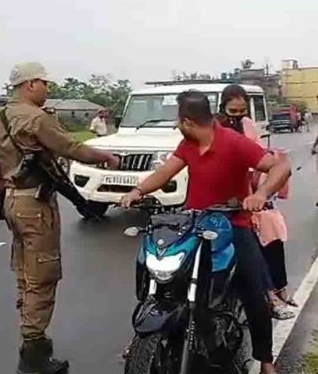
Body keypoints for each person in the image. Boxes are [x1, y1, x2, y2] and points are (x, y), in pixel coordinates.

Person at [121, 90, 291, 374]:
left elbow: (280, 167)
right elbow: (166, 172)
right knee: (161, 273)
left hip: (233, 224)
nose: (177, 125)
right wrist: (137, 191)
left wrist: (260, 193)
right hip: (195, 223)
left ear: (187, 121)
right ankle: (145, 336)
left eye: (177, 120)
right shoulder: (187, 144)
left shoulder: (234, 143)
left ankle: (266, 360)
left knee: (254, 290)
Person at [0, 62, 120, 374]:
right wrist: (106, 157)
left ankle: (31, 335)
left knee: (24, 270)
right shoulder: (36, 118)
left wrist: (5, 190)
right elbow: (71, 147)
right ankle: (33, 352)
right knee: (43, 274)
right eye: (44, 83)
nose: (47, 89)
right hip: (36, 204)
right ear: (30, 84)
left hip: (13, 201)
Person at [217, 85, 295, 321]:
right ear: (223, 107)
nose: (238, 115)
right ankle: (270, 296)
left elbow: (260, 156)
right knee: (251, 244)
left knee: (271, 233)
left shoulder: (248, 125)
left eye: (242, 110)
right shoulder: (214, 128)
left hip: (251, 192)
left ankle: (278, 289)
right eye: (234, 110)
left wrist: (262, 190)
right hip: (224, 198)